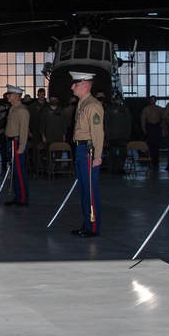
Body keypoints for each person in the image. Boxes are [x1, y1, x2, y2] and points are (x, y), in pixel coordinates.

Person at [69, 71, 104, 238]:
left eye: (75, 84)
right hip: (80, 148)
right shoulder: (82, 104)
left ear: (85, 85)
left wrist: (98, 155)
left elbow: (98, 132)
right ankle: (87, 223)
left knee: (90, 189)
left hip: (88, 150)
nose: (72, 87)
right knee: (83, 189)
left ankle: (93, 225)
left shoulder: (92, 105)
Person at [3, 84, 30, 206]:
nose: (7, 96)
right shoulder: (12, 109)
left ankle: (23, 198)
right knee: (14, 171)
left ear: (16, 96)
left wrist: (21, 147)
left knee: (19, 171)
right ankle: (17, 196)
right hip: (10, 141)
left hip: (17, 142)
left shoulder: (22, 111)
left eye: (9, 94)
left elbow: (24, 130)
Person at [104, 92, 132, 175]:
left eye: (120, 98)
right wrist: (107, 134)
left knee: (122, 153)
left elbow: (128, 122)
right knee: (112, 153)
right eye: (117, 98)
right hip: (112, 135)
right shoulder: (110, 109)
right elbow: (107, 122)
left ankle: (120, 168)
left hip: (123, 135)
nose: (118, 100)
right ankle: (113, 168)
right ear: (114, 99)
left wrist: (128, 133)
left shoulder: (125, 109)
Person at [140, 96, 165, 170]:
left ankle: (155, 160)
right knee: (150, 144)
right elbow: (143, 119)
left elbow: (163, 119)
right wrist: (144, 128)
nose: (153, 101)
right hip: (149, 126)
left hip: (157, 126)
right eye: (151, 100)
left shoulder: (159, 109)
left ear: (156, 101)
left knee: (156, 144)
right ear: (149, 101)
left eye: (154, 100)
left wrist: (163, 128)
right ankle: (150, 159)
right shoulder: (146, 109)